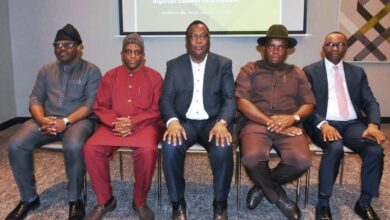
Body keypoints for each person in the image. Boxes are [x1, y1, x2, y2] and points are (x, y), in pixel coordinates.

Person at [6, 24, 102, 220]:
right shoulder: (46, 70)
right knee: (16, 144)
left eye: (67, 44)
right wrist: (41, 119)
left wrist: (65, 121)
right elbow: (35, 99)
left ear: (79, 47)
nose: (62, 48)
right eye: (57, 45)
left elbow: (90, 105)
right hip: (46, 119)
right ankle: (29, 198)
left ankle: (75, 199)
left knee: (74, 145)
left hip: (79, 121)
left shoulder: (91, 70)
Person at [303, 31, 386, 220]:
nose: (335, 47)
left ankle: (364, 203)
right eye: (330, 44)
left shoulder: (357, 72)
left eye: (340, 44)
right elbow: (306, 105)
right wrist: (322, 124)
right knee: (335, 147)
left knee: (374, 150)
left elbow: (371, 102)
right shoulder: (309, 71)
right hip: (323, 123)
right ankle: (323, 204)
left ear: (346, 48)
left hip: (352, 124)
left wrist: (373, 125)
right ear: (323, 48)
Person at [235, 24, 315, 220]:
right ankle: (279, 198)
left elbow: (309, 103)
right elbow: (242, 102)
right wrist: (270, 121)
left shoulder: (296, 72)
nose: (276, 50)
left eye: (281, 46)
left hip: (288, 124)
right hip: (255, 123)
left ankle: (262, 186)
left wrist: (292, 118)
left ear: (288, 50)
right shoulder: (249, 69)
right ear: (263, 48)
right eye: (271, 45)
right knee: (252, 158)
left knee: (302, 160)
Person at [159, 20, 235, 220]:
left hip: (213, 123)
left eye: (203, 36)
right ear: (187, 41)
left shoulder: (223, 64)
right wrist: (172, 121)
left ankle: (220, 204)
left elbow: (229, 99)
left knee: (223, 146)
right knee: (170, 145)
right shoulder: (174, 65)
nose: (199, 40)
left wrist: (222, 123)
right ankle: (178, 203)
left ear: (209, 40)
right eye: (194, 36)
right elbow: (166, 99)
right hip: (185, 123)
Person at [83, 33, 164, 220]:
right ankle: (105, 200)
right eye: (128, 52)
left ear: (143, 55)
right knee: (91, 148)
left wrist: (134, 122)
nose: (133, 56)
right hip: (114, 125)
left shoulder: (155, 77)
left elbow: (158, 109)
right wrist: (115, 122)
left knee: (147, 150)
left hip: (145, 125)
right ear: (122, 54)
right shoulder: (110, 76)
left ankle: (140, 201)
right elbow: (100, 106)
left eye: (137, 52)